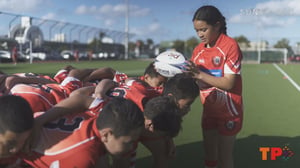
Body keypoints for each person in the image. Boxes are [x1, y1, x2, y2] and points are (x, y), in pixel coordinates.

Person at [0, 95, 145, 168]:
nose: (133, 146)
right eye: (129, 142)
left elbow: (83, 99)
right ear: (106, 134)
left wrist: (40, 120)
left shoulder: (111, 115)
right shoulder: (81, 155)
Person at [187, 5, 243, 168]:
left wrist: (199, 75)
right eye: (197, 30)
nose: (199, 35)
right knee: (210, 157)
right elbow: (192, 77)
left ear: (217, 25)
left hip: (229, 111)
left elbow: (229, 83)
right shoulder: (198, 50)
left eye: (203, 29)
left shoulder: (230, 46)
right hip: (209, 110)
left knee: (225, 158)